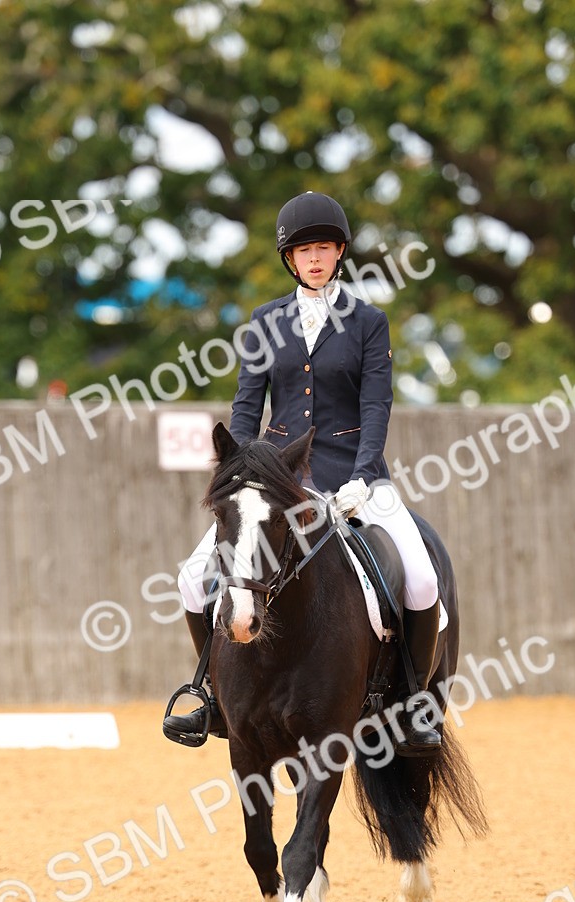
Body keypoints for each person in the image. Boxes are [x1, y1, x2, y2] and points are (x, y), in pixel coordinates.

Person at [162, 190, 441, 754]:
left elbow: (375, 406)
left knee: (423, 579)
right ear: (290, 259)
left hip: (356, 476)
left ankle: (412, 705)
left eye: (324, 248)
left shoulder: (369, 322)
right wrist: (240, 469)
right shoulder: (265, 321)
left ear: (339, 252)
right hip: (276, 481)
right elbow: (246, 405)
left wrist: (365, 475)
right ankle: (212, 696)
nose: (315, 258)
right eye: (304, 250)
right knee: (193, 579)